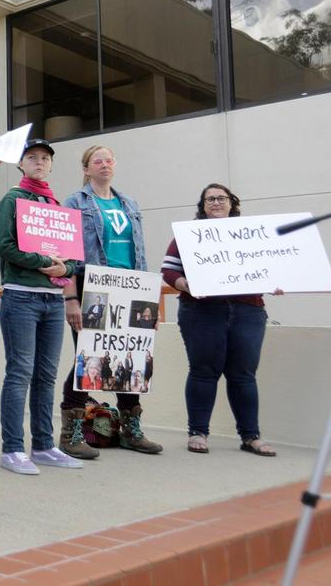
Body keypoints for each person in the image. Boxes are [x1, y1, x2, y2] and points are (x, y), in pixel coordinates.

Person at [59, 145, 163, 459]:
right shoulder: (75, 203)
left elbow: (140, 253)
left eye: (109, 160)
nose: (104, 164)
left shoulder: (129, 203)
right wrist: (71, 298)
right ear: (86, 169)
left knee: (132, 357)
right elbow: (66, 253)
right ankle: (71, 433)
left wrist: (149, 302)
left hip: (131, 287)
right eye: (97, 160)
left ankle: (131, 430)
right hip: (94, 287)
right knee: (90, 356)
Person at [162, 183, 281, 456]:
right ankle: (198, 432)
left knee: (244, 375)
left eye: (221, 198)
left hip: (247, 311)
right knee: (203, 371)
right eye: (210, 199)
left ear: (232, 203)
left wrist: (277, 281)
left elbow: (271, 265)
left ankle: (251, 436)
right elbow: (169, 270)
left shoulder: (252, 234)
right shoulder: (188, 234)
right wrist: (185, 284)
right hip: (201, 311)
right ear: (203, 206)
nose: (216, 202)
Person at [0, 139, 81, 475]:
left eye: (45, 157)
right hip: (21, 297)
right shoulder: (12, 199)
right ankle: (12, 449)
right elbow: (4, 245)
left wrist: (64, 268)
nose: (39, 162)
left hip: (52, 300)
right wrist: (44, 262)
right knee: (19, 373)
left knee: (46, 375)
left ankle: (43, 445)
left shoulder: (56, 205)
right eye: (32, 157)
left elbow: (73, 257)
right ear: (20, 164)